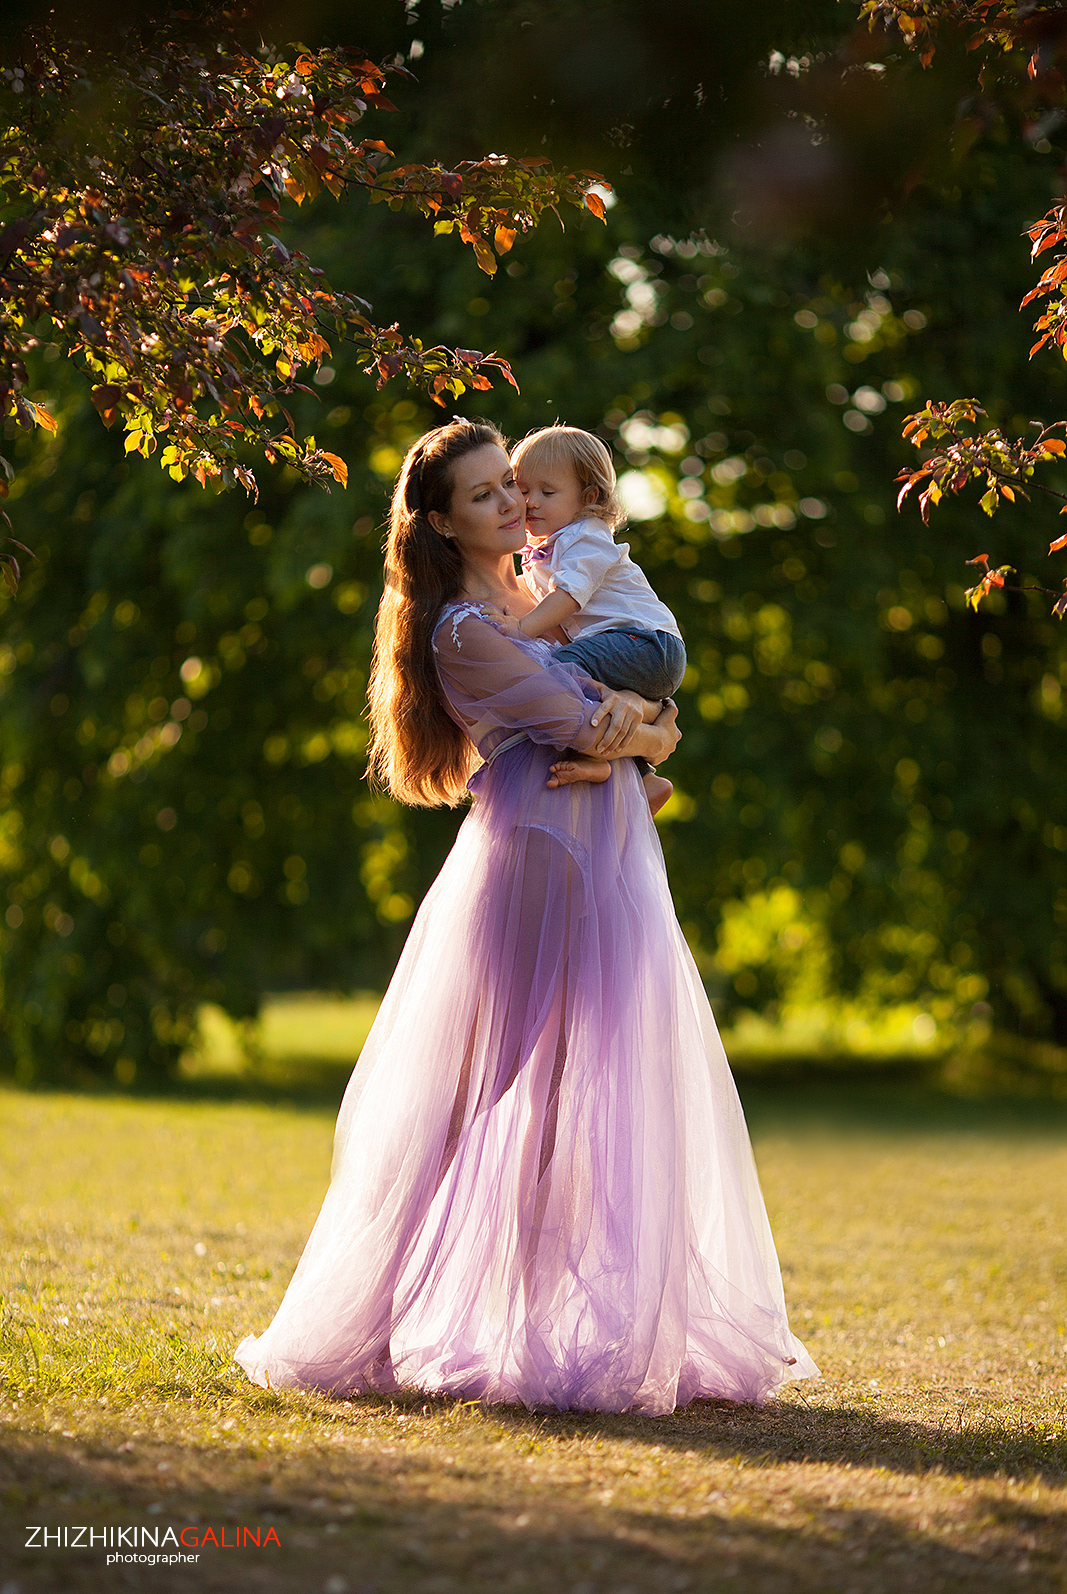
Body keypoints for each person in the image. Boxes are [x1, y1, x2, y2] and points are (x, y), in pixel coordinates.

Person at [234, 417, 817, 1415]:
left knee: (586, 1101)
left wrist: (645, 743)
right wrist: (644, 739)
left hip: (608, 853)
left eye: (509, 484)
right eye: (482, 496)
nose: (510, 503)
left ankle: (565, 1333)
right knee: (471, 1095)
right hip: (540, 861)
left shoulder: (541, 594)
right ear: (441, 524)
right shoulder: (466, 628)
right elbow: (592, 721)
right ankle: (356, 1320)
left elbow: (644, 719)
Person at [507, 424, 686, 816]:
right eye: (522, 489)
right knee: (593, 694)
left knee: (558, 670)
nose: (530, 502)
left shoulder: (584, 536)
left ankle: (597, 757)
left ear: (587, 498)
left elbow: (567, 598)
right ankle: (643, 777)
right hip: (633, 648)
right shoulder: (546, 546)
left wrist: (520, 630)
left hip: (645, 643)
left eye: (547, 492)